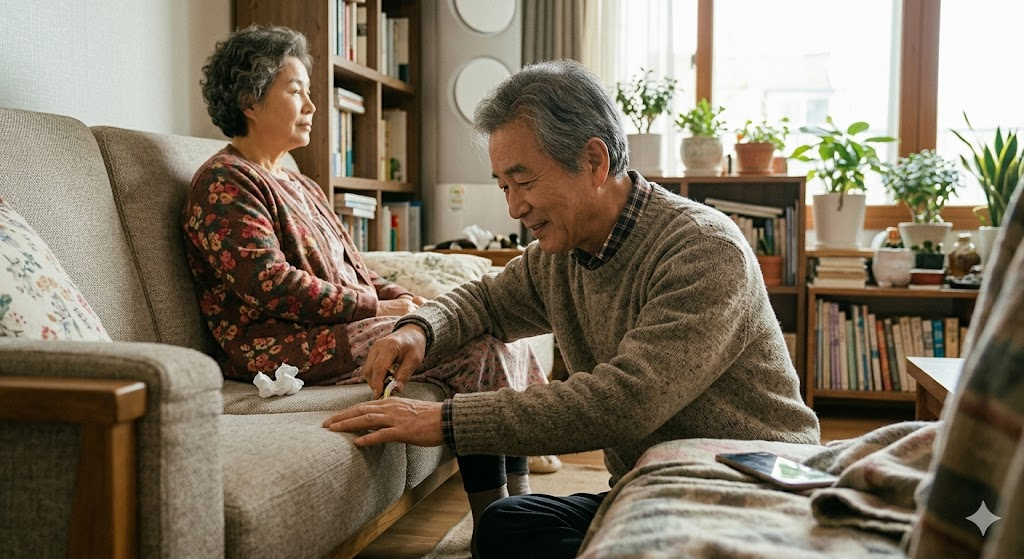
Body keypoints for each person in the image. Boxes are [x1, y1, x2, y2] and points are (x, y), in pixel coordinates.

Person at [322, 59, 821, 558]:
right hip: (658, 488)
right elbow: (484, 300)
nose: (514, 208)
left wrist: (445, 422)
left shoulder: (704, 249)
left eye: (525, 181)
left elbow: (624, 402)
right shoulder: (557, 259)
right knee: (505, 527)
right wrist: (418, 329)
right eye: (503, 186)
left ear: (594, 162)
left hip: (752, 484)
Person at [182, 24, 547, 532]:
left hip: (330, 329)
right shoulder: (226, 182)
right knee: (477, 349)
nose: (311, 106)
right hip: (277, 347)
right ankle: (500, 521)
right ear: (250, 98)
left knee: (484, 328)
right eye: (295, 90)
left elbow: (359, 272)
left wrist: (417, 304)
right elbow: (268, 282)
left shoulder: (300, 182)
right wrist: (377, 310)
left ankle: (520, 510)